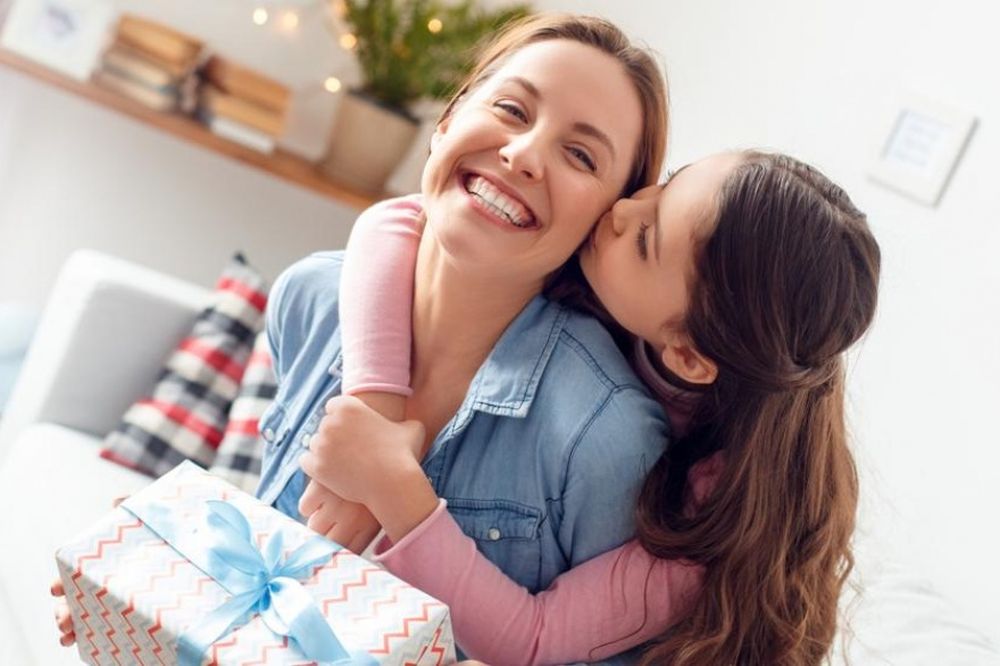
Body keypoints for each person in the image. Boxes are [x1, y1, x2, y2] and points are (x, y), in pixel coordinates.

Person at [51, 12, 671, 654]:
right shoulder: (311, 300)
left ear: (607, 222)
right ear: (449, 119)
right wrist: (158, 571)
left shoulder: (607, 437)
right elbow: (282, 560)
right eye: (512, 109)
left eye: (579, 155)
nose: (522, 155)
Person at [300, 151, 881, 665]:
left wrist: (395, 489)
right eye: (666, 184)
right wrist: (377, 406)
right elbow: (399, 218)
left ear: (689, 355)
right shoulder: (613, 282)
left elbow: (531, 639)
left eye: (647, 240)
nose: (626, 209)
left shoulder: (718, 515)